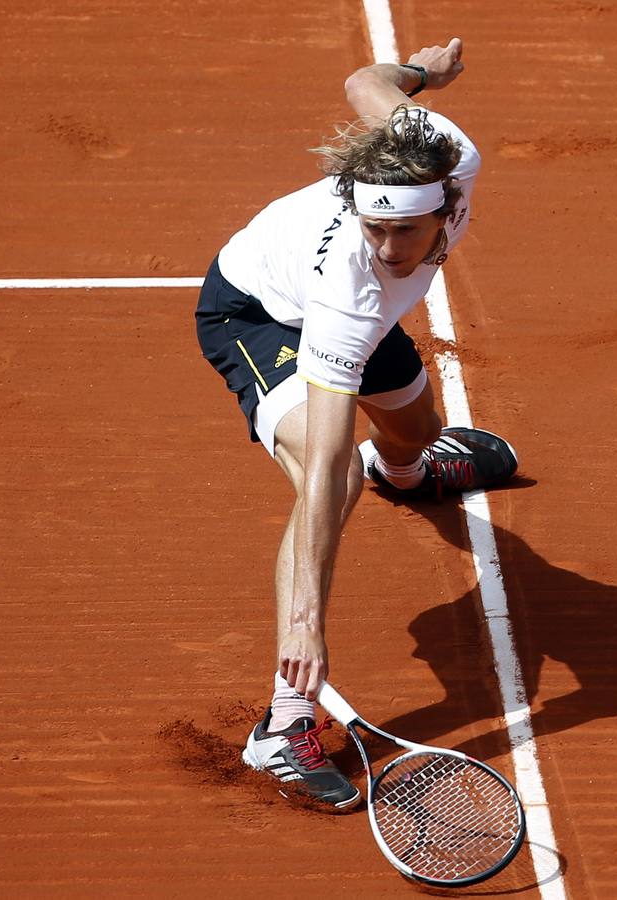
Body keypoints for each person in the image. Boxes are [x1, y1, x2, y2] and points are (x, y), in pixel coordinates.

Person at [195, 38, 518, 809]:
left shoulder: (445, 152)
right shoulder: (352, 285)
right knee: (334, 474)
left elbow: (362, 80)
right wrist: (306, 623)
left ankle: (405, 474)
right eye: (372, 229)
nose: (385, 246)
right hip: (265, 314)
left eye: (402, 233)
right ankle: (284, 720)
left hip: (369, 327)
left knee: (414, 432)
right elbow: (329, 452)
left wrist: (421, 75)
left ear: (445, 205)